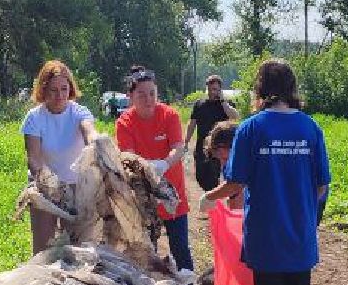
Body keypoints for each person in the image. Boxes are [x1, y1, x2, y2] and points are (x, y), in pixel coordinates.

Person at [201, 59, 329, 285]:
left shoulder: (252, 128)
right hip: (299, 232)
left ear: (261, 89)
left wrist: (210, 198)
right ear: (291, 89)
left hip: (265, 232)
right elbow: (321, 185)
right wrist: (306, 214)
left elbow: (236, 183)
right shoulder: (310, 128)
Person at [110, 66, 193, 273]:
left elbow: (178, 147)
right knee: (147, 250)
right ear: (130, 96)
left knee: (180, 248)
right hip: (143, 197)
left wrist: (164, 164)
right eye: (141, 94)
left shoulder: (169, 115)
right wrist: (147, 169)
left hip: (172, 194)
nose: (148, 99)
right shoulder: (124, 123)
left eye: (152, 93)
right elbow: (128, 156)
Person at [21, 59, 97, 254]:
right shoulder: (34, 118)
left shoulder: (79, 112)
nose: (60, 95)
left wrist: (97, 143)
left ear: (70, 88)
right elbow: (34, 159)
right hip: (44, 186)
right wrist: (50, 185)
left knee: (78, 250)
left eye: (64, 89)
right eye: (53, 90)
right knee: (43, 250)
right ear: (43, 90)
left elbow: (89, 132)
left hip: (76, 187)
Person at [187, 74, 240, 192]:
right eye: (210, 89)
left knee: (213, 179)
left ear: (220, 90)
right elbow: (192, 124)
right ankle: (210, 197)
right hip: (201, 147)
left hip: (218, 148)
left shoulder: (226, 104)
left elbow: (235, 116)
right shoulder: (199, 104)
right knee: (200, 176)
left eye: (215, 89)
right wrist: (186, 141)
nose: (212, 92)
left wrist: (222, 101)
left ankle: (213, 202)